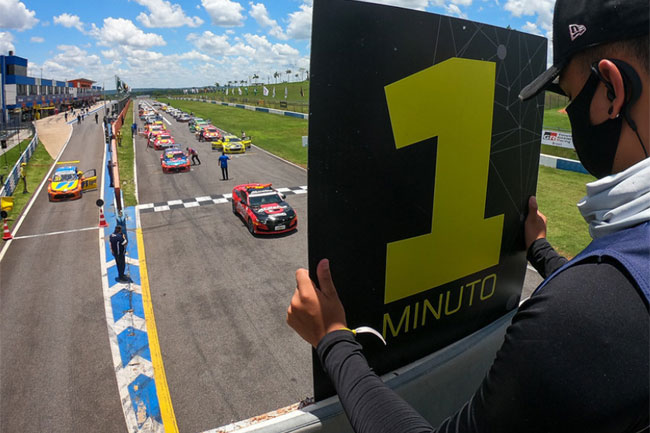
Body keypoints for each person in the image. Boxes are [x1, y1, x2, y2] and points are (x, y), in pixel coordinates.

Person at [286, 1, 649, 432]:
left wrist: (334, 340)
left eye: (570, 98)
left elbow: (605, 308)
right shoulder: (607, 301)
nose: (570, 116)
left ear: (612, 90)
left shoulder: (577, 318)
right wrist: (542, 250)